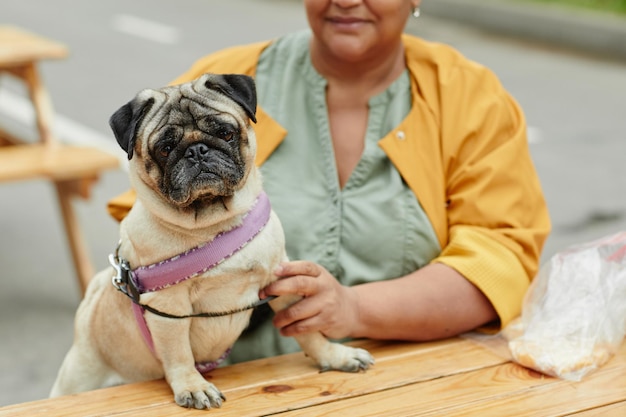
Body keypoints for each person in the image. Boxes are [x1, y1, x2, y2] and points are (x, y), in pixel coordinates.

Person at [107, 0, 551, 363]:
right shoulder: (223, 81)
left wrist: (354, 309)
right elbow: (143, 236)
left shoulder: (469, 96)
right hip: (230, 384)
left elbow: (500, 257)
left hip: (415, 376)